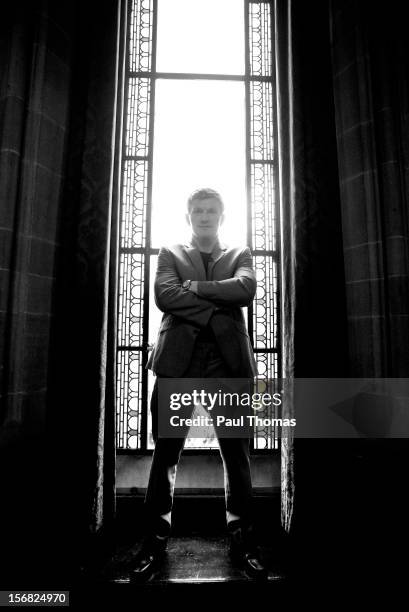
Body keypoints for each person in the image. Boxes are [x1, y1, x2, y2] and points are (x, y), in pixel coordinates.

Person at [130, 188, 267, 581]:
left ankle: (244, 542)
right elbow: (164, 295)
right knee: (165, 456)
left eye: (211, 211)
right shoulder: (170, 253)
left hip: (228, 365)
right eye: (198, 210)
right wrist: (215, 308)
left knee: (236, 457)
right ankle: (152, 544)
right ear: (188, 215)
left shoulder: (239, 253)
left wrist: (194, 290)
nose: (204, 216)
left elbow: (245, 289)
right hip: (179, 363)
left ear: (221, 216)